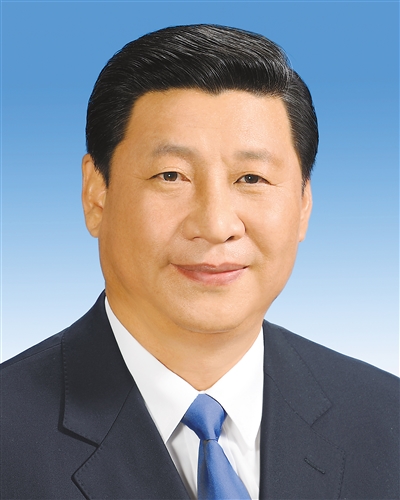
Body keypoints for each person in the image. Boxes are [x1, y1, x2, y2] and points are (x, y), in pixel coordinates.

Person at [1, 24, 398, 500]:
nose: (215, 225)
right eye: (171, 175)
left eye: (251, 178)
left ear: (303, 204)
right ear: (96, 195)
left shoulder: (386, 419)